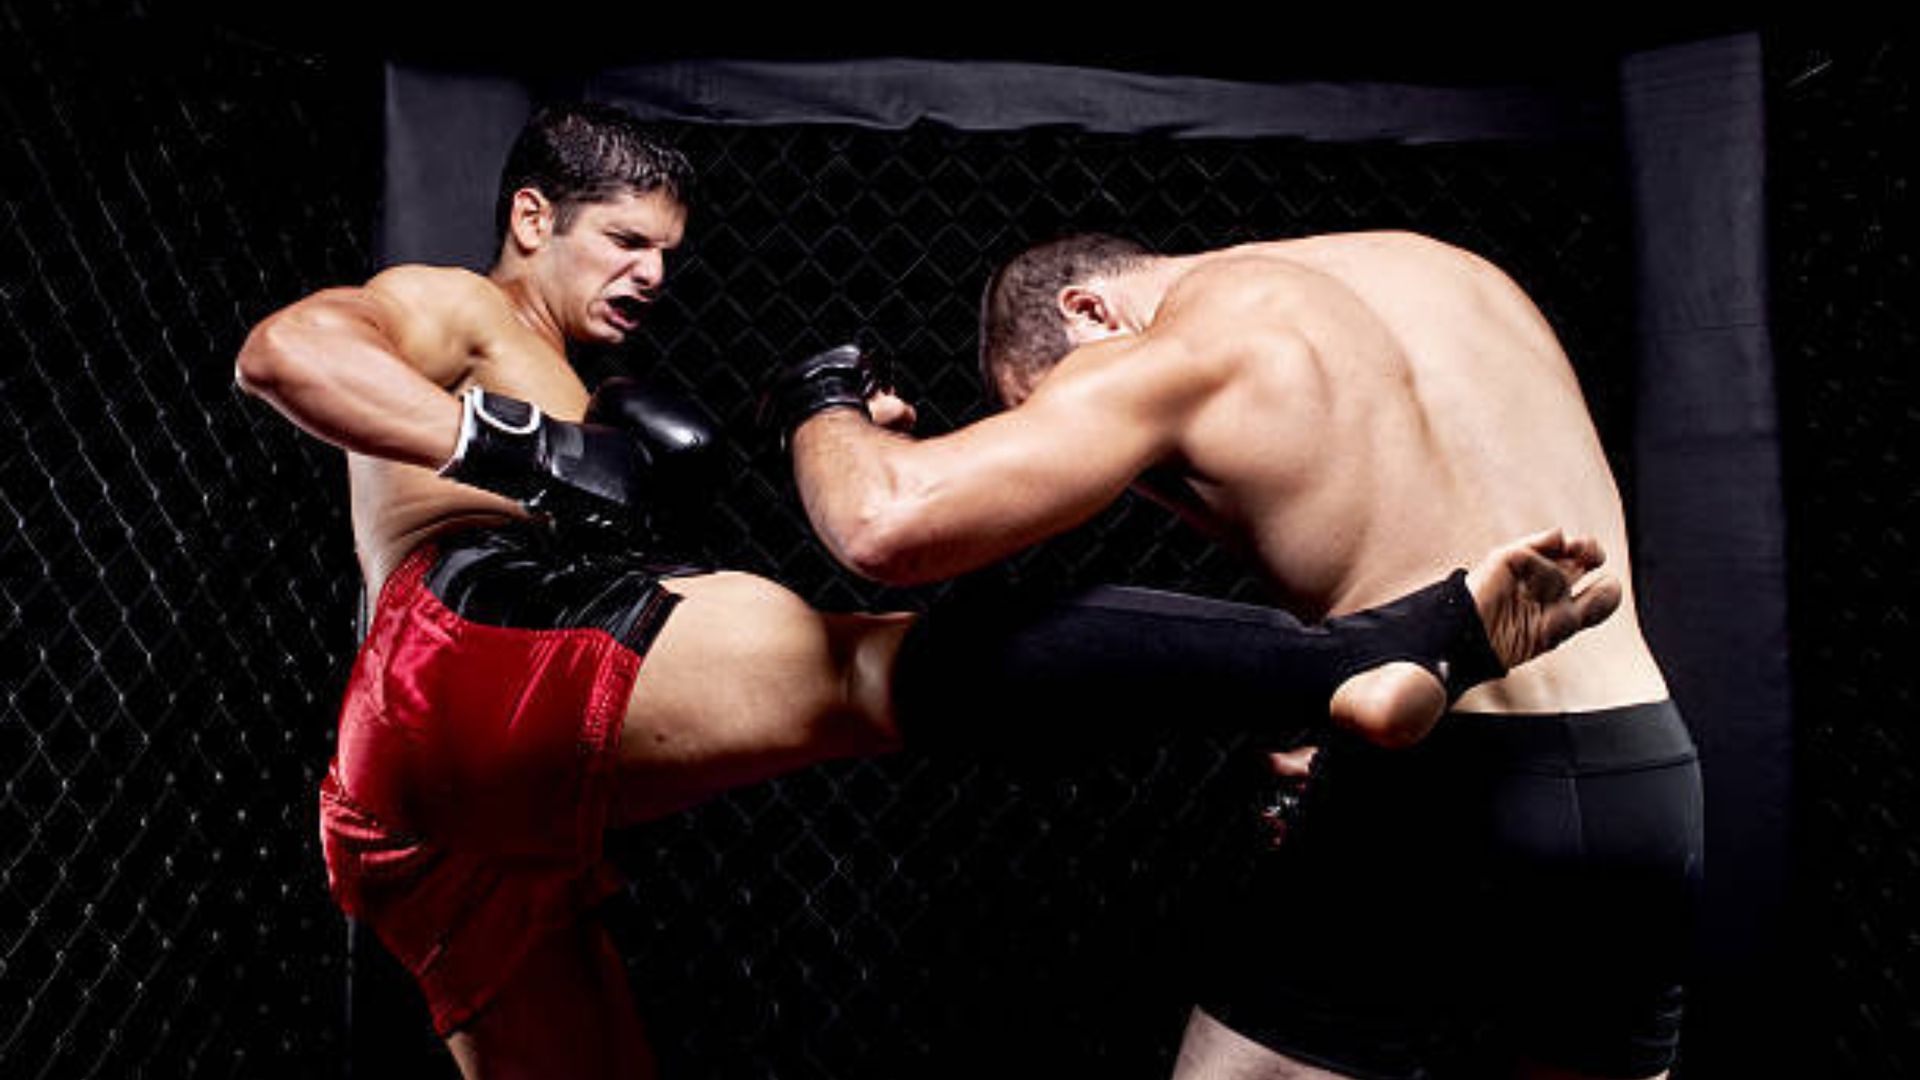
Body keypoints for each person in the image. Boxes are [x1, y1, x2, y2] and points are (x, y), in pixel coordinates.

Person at [235, 105, 1618, 1080]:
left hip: (441, 818)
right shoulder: (457, 308)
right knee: (874, 671)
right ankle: (1379, 648)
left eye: (668, 248)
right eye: (618, 241)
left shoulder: (598, 387)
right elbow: (287, 354)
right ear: (531, 219)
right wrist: (522, 447)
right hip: (459, 652)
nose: (653, 274)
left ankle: (1329, 669)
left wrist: (848, 445)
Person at [770, 231, 1701, 1079]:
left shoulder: (1195, 342)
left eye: (1046, 405)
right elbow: (1411, 513)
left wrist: (826, 405)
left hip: (1443, 787)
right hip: (1645, 779)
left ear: (1088, 310)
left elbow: (883, 524)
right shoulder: (1454, 270)